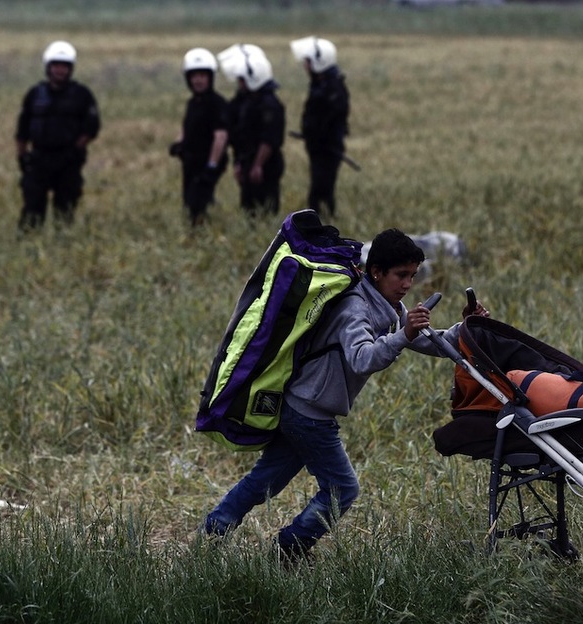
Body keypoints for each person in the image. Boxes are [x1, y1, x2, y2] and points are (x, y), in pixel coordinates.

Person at [204, 228, 489, 564]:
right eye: (400, 275)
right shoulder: (354, 307)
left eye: (412, 276)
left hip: (303, 408)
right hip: (309, 413)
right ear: (376, 271)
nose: (408, 285)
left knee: (265, 480)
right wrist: (404, 334)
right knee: (342, 489)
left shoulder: (389, 306)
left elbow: (426, 340)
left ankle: (213, 531)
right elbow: (363, 358)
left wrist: (466, 329)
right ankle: (288, 549)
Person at [14, 40, 100, 233]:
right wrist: (22, 156)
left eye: (64, 67)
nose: (60, 71)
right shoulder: (35, 94)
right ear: (48, 67)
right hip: (39, 159)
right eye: (56, 66)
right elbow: (22, 129)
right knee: (32, 209)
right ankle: (29, 248)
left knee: (65, 210)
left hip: (68, 161)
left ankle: (63, 247)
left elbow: (92, 127)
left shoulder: (82, 95)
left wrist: (75, 150)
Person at [217, 44, 285, 216]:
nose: (239, 83)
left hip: (265, 165)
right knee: (249, 208)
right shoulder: (245, 101)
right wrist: (239, 163)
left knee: (267, 207)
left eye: (242, 79)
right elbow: (239, 134)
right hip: (247, 160)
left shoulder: (270, 105)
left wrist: (257, 165)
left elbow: (269, 139)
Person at [169, 48, 229, 227]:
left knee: (198, 203)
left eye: (202, 76)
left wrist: (211, 165)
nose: (198, 80)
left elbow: (221, 136)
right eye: (194, 76)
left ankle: (203, 232)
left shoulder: (217, 103)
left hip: (206, 162)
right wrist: (178, 144)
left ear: (210, 77)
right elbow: (187, 128)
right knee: (189, 202)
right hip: (190, 162)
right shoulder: (193, 103)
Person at [290, 36, 350, 217]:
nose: (305, 66)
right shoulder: (321, 85)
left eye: (307, 62)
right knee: (318, 184)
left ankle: (324, 220)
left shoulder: (332, 89)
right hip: (319, 147)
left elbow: (328, 120)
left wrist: (316, 135)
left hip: (328, 148)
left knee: (321, 187)